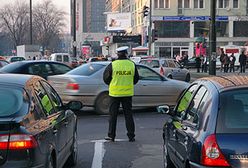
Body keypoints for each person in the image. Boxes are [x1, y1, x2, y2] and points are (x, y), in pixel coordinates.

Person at [103, 46, 139, 142]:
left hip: (114, 94)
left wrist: (112, 83)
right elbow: (136, 79)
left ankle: (111, 135)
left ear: (118, 54)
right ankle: (131, 136)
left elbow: (106, 78)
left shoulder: (113, 65)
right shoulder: (132, 65)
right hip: (127, 94)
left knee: (113, 115)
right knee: (128, 115)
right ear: (126, 53)